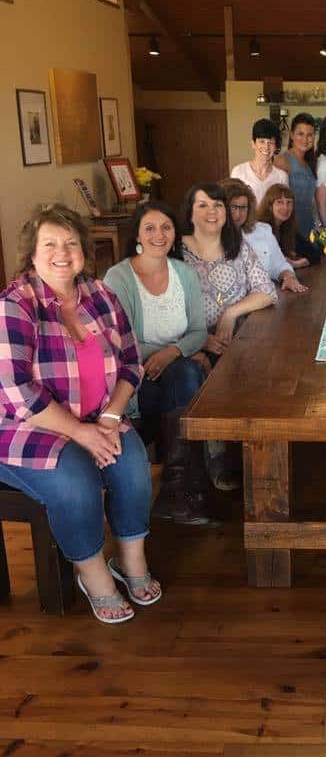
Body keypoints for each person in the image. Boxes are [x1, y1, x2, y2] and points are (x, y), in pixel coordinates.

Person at [0, 204, 160, 624]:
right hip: (28, 427)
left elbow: (130, 363)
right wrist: (80, 433)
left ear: (84, 251)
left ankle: (131, 561)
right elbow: (16, 391)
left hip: (99, 417)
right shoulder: (15, 305)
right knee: (76, 482)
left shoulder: (101, 296)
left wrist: (108, 419)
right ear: (32, 255)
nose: (62, 252)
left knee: (134, 465)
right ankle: (91, 574)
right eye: (49, 244)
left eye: (71, 243)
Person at [104, 201, 217, 526]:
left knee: (185, 374)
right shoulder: (119, 277)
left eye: (166, 227)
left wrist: (173, 352)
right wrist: (179, 351)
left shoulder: (184, 273)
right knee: (188, 374)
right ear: (137, 234)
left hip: (177, 375)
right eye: (150, 228)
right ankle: (186, 488)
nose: (159, 234)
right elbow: (124, 342)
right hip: (136, 384)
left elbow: (199, 332)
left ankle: (180, 488)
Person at [181, 183, 277, 365]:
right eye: (203, 205)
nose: (212, 211)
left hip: (237, 338)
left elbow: (267, 291)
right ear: (190, 214)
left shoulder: (238, 246)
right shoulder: (176, 251)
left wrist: (230, 314)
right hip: (191, 346)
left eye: (218, 205)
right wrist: (197, 340)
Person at [221, 178, 308, 293]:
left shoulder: (263, 230)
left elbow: (280, 265)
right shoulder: (211, 237)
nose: (238, 214)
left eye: (243, 208)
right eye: (233, 207)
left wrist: (288, 277)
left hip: (266, 300)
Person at [274, 112, 318, 240]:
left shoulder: (310, 162)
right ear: (292, 135)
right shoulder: (282, 160)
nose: (305, 139)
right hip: (290, 227)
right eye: (300, 134)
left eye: (310, 135)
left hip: (308, 224)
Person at [229, 118, 288, 211]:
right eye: (262, 141)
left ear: (276, 147)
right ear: (253, 144)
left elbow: (284, 208)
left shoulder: (281, 176)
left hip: (272, 225)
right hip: (247, 225)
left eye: (271, 142)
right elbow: (233, 206)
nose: (266, 147)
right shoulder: (238, 172)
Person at [257, 183, 320, 268]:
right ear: (270, 206)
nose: (285, 207)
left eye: (289, 202)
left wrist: (296, 264)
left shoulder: (287, 228)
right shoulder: (261, 229)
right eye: (280, 202)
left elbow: (314, 255)